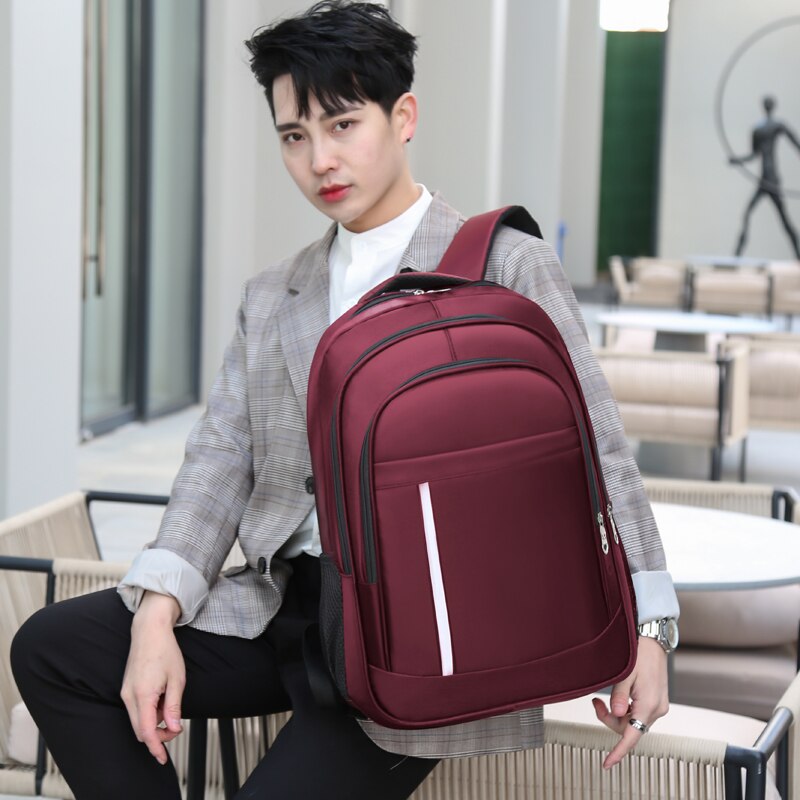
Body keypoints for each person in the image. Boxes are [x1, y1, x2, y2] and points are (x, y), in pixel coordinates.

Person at [12, 3, 679, 798]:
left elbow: (601, 452)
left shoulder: (503, 266)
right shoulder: (274, 294)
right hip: (285, 609)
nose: (320, 160)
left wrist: (650, 628)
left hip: (426, 632)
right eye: (294, 136)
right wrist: (157, 613)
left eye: (342, 124)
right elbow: (219, 460)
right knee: (53, 649)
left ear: (404, 118)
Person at [730, 95, 800, 258]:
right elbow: (754, 154)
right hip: (764, 180)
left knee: (784, 220)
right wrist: (736, 160)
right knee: (748, 213)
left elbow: (795, 142)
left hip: (772, 180)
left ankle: (798, 254)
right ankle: (736, 256)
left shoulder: (774, 126)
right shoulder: (759, 130)